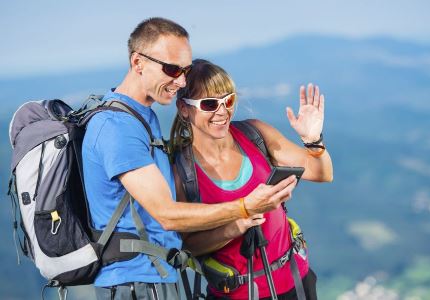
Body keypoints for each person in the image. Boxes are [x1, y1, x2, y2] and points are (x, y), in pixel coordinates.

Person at [82, 17, 297, 300]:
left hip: (152, 280)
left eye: (184, 70)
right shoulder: (117, 128)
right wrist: (245, 206)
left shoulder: (140, 118)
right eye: (172, 69)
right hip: (135, 283)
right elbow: (167, 215)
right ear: (138, 63)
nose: (181, 80)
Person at [170, 59, 333, 299]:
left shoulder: (255, 134)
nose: (222, 111)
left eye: (229, 100)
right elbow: (188, 245)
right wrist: (238, 222)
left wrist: (313, 140)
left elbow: (322, 173)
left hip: (296, 283)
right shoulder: (181, 172)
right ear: (184, 108)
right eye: (209, 104)